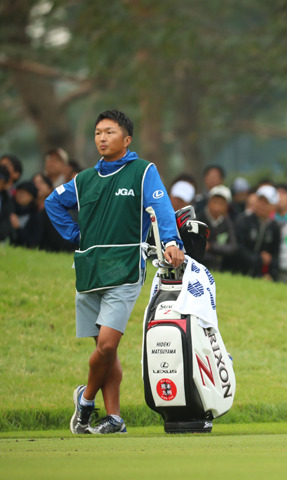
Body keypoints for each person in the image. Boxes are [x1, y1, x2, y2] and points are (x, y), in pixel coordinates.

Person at [45, 109, 184, 435]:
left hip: (124, 270)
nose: (102, 138)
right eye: (97, 133)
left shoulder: (142, 171)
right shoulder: (84, 179)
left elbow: (161, 208)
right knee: (106, 354)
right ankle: (115, 419)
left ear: (127, 139)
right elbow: (53, 203)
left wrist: (172, 242)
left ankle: (86, 399)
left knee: (106, 346)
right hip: (89, 272)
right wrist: (77, 235)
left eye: (109, 132)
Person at [230, 184, 280, 280]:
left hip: (260, 276)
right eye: (260, 200)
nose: (262, 205)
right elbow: (238, 249)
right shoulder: (243, 220)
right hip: (237, 273)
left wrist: (272, 275)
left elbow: (275, 254)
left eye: (266, 202)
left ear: (274, 206)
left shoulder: (274, 227)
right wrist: (260, 259)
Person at [196, 184, 238, 272]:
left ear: (227, 206)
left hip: (218, 267)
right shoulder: (198, 218)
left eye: (221, 203)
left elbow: (233, 247)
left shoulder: (228, 223)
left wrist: (211, 246)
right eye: (214, 202)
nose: (217, 207)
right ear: (208, 201)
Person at [10, 180, 43, 248]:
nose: (21, 195)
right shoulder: (8, 209)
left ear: (32, 197)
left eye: (25, 193)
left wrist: (18, 228)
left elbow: (33, 242)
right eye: (19, 191)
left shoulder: (36, 217)